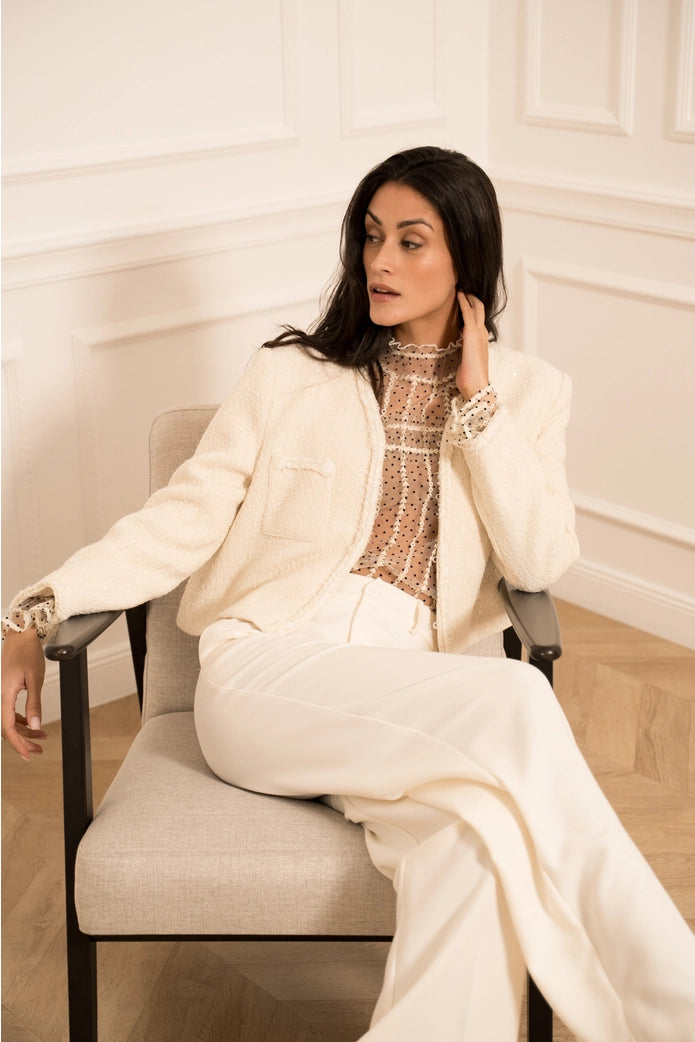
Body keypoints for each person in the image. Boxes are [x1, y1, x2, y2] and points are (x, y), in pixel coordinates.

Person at [2, 146, 693, 1041]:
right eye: (371, 237)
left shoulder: (528, 394)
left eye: (412, 241)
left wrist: (477, 405)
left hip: (409, 693)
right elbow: (180, 518)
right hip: (266, 673)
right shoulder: (289, 375)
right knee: (519, 694)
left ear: (467, 262)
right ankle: (675, 1006)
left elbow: (537, 559)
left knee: (473, 844)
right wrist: (35, 610)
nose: (379, 262)